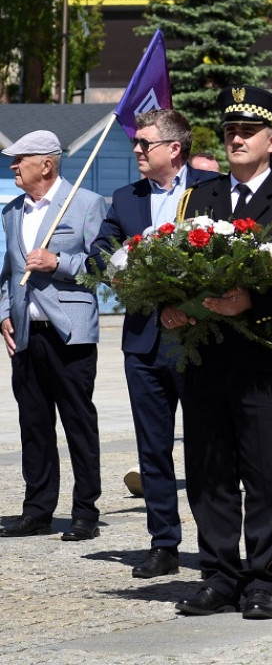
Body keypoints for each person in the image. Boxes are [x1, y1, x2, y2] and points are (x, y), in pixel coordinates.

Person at [165, 86, 272, 620]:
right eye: (229, 130)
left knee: (262, 473)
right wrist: (172, 305)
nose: (235, 138)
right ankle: (217, 575)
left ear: (271, 140)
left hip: (262, 361)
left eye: (247, 131)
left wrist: (251, 300)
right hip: (207, 359)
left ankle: (259, 579)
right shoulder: (200, 196)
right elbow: (171, 263)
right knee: (208, 470)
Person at [91, 109, 218, 577]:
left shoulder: (209, 191)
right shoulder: (126, 198)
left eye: (146, 143)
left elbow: (225, 259)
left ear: (174, 149)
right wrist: (117, 265)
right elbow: (101, 248)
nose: (138, 151)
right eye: (137, 144)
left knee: (206, 447)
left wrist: (192, 304)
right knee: (153, 448)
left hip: (198, 337)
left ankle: (215, 544)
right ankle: (164, 542)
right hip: (144, 343)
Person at [0, 130, 107, 541]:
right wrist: (4, 315)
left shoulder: (85, 204)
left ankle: (85, 512)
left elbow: (104, 267)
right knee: (34, 423)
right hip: (25, 335)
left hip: (70, 333)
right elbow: (7, 274)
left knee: (78, 422)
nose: (12, 166)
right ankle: (37, 509)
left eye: (19, 159)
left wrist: (57, 261)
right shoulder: (11, 212)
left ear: (45, 164)